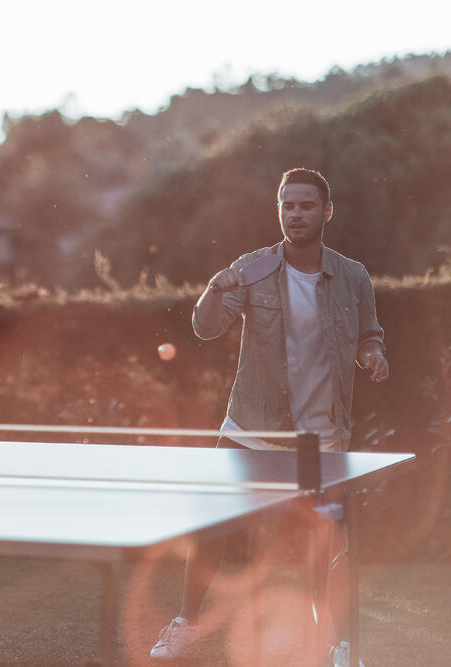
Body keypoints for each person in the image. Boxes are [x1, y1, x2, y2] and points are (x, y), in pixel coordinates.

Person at [149, 168, 388, 664]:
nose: (295, 214)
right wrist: (214, 289)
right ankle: (188, 623)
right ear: (278, 210)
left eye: (305, 205)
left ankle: (338, 643)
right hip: (250, 431)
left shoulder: (353, 276)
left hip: (319, 440)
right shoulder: (251, 268)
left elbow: (369, 333)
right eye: (287, 205)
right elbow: (205, 328)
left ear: (326, 211)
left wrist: (373, 354)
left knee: (329, 545)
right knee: (213, 532)